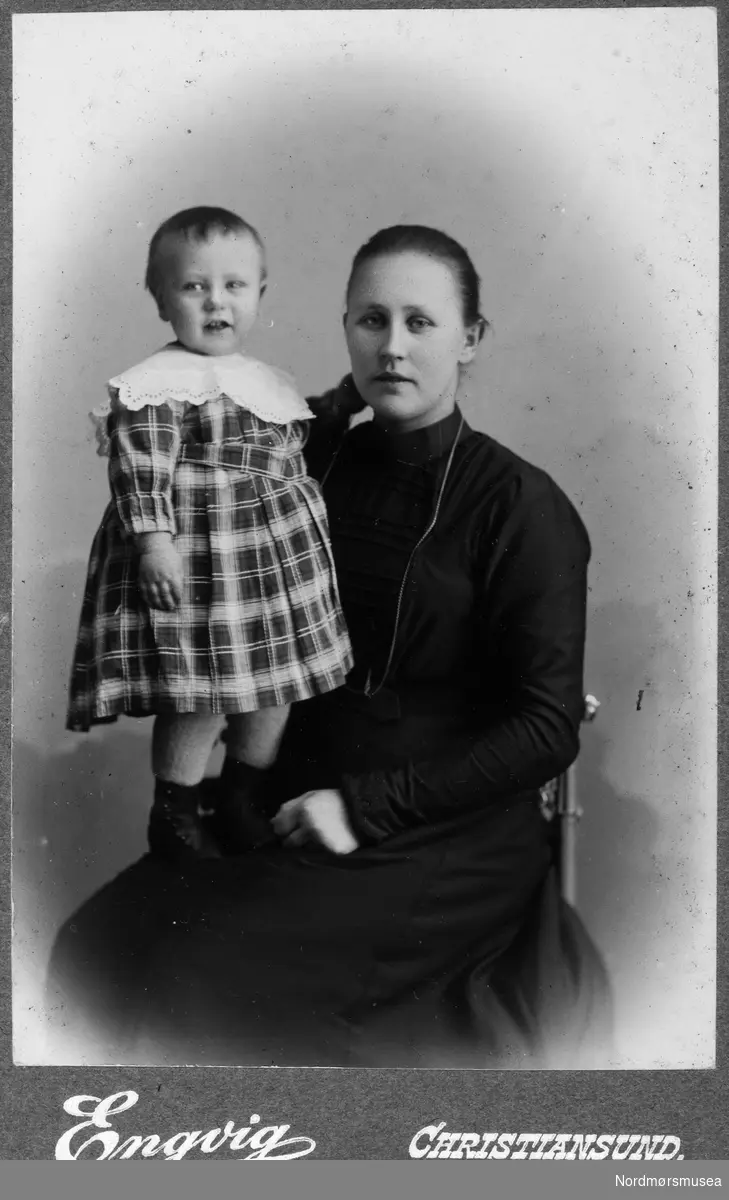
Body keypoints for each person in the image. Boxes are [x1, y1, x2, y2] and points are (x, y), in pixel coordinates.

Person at [48, 224, 611, 1068]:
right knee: (97, 942)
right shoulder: (302, 460)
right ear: (345, 328)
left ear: (470, 339)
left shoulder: (521, 507)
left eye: (420, 323)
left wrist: (362, 808)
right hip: (285, 791)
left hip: (435, 831)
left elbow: (545, 728)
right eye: (369, 321)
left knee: (191, 978)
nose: (391, 347)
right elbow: (199, 456)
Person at [66, 207, 352, 864]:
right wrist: (154, 542)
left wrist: (333, 406)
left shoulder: (263, 382)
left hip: (272, 579)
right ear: (163, 301)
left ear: (259, 294)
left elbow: (290, 440)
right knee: (202, 695)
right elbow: (141, 466)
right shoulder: (158, 385)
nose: (216, 302)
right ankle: (176, 811)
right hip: (204, 571)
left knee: (276, 690)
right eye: (194, 287)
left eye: (233, 286)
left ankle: (241, 794)